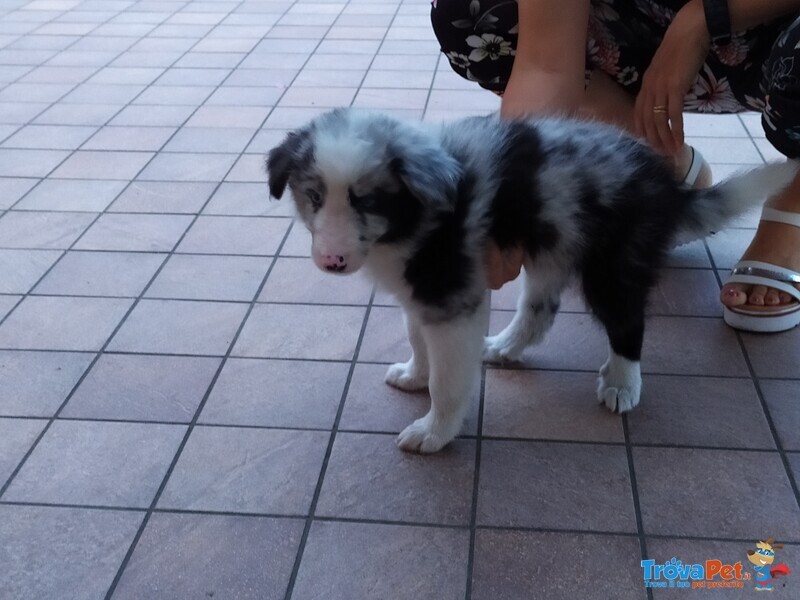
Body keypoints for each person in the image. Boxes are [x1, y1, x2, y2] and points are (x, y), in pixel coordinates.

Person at [431, 0, 800, 332]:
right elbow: (546, 65)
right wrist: (512, 201)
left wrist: (706, 16)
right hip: (654, 29)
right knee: (471, 15)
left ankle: (793, 200)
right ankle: (653, 168)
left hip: (779, 29)